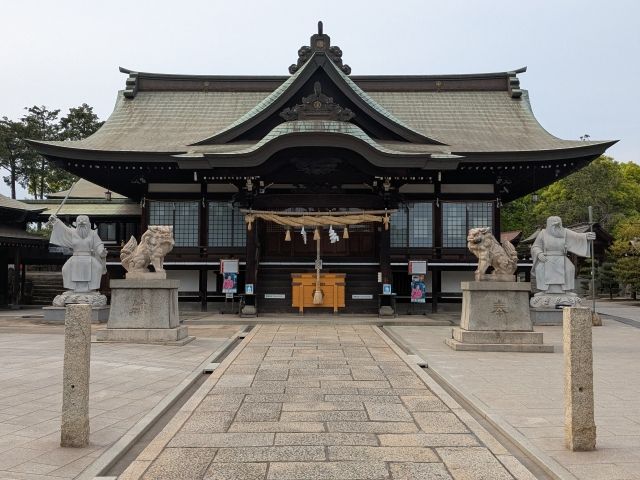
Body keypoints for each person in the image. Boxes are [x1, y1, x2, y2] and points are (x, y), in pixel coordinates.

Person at [531, 216, 595, 296]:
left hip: (561, 257)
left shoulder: (565, 232)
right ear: (548, 224)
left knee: (569, 269)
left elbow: (577, 236)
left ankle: (566, 290)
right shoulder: (543, 233)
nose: (556, 227)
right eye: (554, 225)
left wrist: (586, 236)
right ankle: (544, 291)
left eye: (558, 224)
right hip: (547, 258)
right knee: (540, 269)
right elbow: (535, 246)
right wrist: (539, 253)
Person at [49, 214, 107, 293]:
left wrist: (101, 251)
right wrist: (55, 220)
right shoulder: (73, 232)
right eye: (79, 221)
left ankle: (91, 289)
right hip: (75, 257)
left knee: (98, 268)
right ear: (76, 223)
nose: (81, 223)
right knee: (65, 269)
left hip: (88, 257)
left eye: (84, 221)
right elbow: (63, 229)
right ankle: (72, 289)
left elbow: (98, 244)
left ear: (88, 223)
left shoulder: (93, 233)